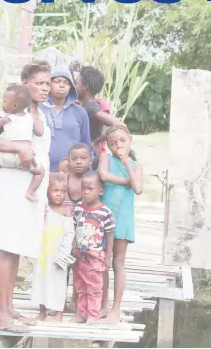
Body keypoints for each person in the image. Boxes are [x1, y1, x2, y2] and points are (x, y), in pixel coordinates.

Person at [0, 60, 52, 333]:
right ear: (25, 83)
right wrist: (16, 149)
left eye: (47, 83)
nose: (45, 88)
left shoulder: (38, 114)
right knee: (7, 247)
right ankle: (0, 317)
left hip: (30, 187)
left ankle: (9, 308)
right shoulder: (9, 109)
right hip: (13, 185)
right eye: (39, 83)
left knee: (18, 246)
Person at [97, 125, 143, 324]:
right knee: (102, 261)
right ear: (107, 145)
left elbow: (139, 188)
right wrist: (127, 181)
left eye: (122, 141)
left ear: (130, 140)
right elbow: (103, 176)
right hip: (103, 217)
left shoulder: (135, 164)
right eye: (113, 143)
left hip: (123, 218)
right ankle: (103, 305)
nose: (118, 146)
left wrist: (126, 163)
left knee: (118, 262)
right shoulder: (105, 159)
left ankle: (116, 307)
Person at [0, 84, 45, 201]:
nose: (1, 103)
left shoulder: (9, 117)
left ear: (14, 105)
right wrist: (37, 120)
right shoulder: (30, 117)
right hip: (26, 159)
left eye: (4, 101)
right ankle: (30, 192)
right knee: (40, 172)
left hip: (6, 157)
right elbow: (40, 132)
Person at [31, 173, 75, 322]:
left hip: (58, 254)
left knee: (59, 282)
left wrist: (64, 253)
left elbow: (70, 233)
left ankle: (58, 312)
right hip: (43, 252)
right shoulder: (44, 208)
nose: (59, 194)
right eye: (55, 190)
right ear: (48, 191)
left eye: (63, 191)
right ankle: (42, 310)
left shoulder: (66, 210)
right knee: (41, 279)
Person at [72, 171, 115, 323]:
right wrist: (73, 245)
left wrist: (108, 255)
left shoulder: (105, 212)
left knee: (94, 287)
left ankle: (93, 315)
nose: (86, 192)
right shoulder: (78, 208)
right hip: (80, 256)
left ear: (100, 191)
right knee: (80, 285)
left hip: (95, 256)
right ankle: (82, 314)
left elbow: (110, 234)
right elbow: (75, 227)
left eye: (90, 189)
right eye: (84, 188)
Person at [71, 63, 125, 170]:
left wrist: (96, 141)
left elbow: (120, 125)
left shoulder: (92, 108)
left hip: (89, 158)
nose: (74, 87)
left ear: (85, 86)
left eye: (76, 84)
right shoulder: (87, 106)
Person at [41, 67, 92, 173]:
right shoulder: (38, 109)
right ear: (48, 84)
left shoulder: (80, 111)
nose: (62, 85)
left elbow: (86, 143)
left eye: (66, 83)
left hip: (72, 171)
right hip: (41, 168)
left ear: (71, 88)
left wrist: (88, 172)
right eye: (57, 81)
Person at [63, 143, 93, 312]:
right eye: (74, 159)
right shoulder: (63, 180)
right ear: (68, 161)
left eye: (83, 158)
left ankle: (76, 300)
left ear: (90, 160)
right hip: (64, 230)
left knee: (80, 268)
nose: (79, 162)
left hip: (84, 231)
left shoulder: (92, 182)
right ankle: (60, 300)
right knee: (63, 265)